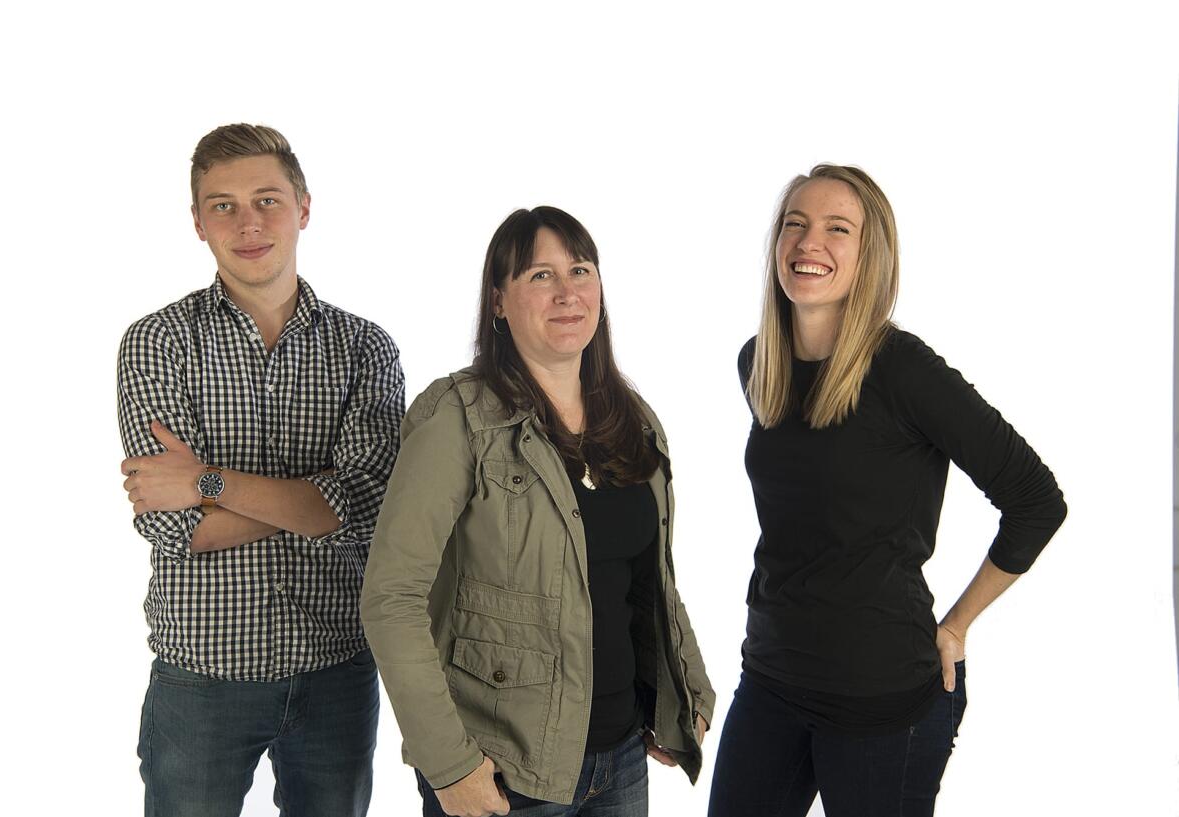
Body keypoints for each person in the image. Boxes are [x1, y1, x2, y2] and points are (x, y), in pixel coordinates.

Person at [707, 165, 1067, 817]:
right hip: (771, 679)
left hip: (883, 700)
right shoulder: (759, 364)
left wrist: (956, 624)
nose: (809, 241)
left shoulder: (903, 370)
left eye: (836, 228)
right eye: (796, 223)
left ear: (870, 256)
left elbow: (1036, 498)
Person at [360, 206, 714, 816]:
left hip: (622, 759)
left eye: (579, 270)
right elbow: (391, 597)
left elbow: (652, 580)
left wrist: (686, 689)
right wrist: (449, 765)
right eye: (539, 276)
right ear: (499, 301)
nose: (566, 292)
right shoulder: (457, 417)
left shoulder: (634, 423)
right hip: (504, 773)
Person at [117, 123, 404, 817]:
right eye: (223, 205)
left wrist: (205, 481)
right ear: (197, 223)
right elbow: (173, 525)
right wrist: (313, 502)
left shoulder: (365, 348)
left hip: (337, 666)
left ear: (304, 207)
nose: (248, 223)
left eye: (267, 200)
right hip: (203, 676)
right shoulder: (156, 343)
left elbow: (367, 506)